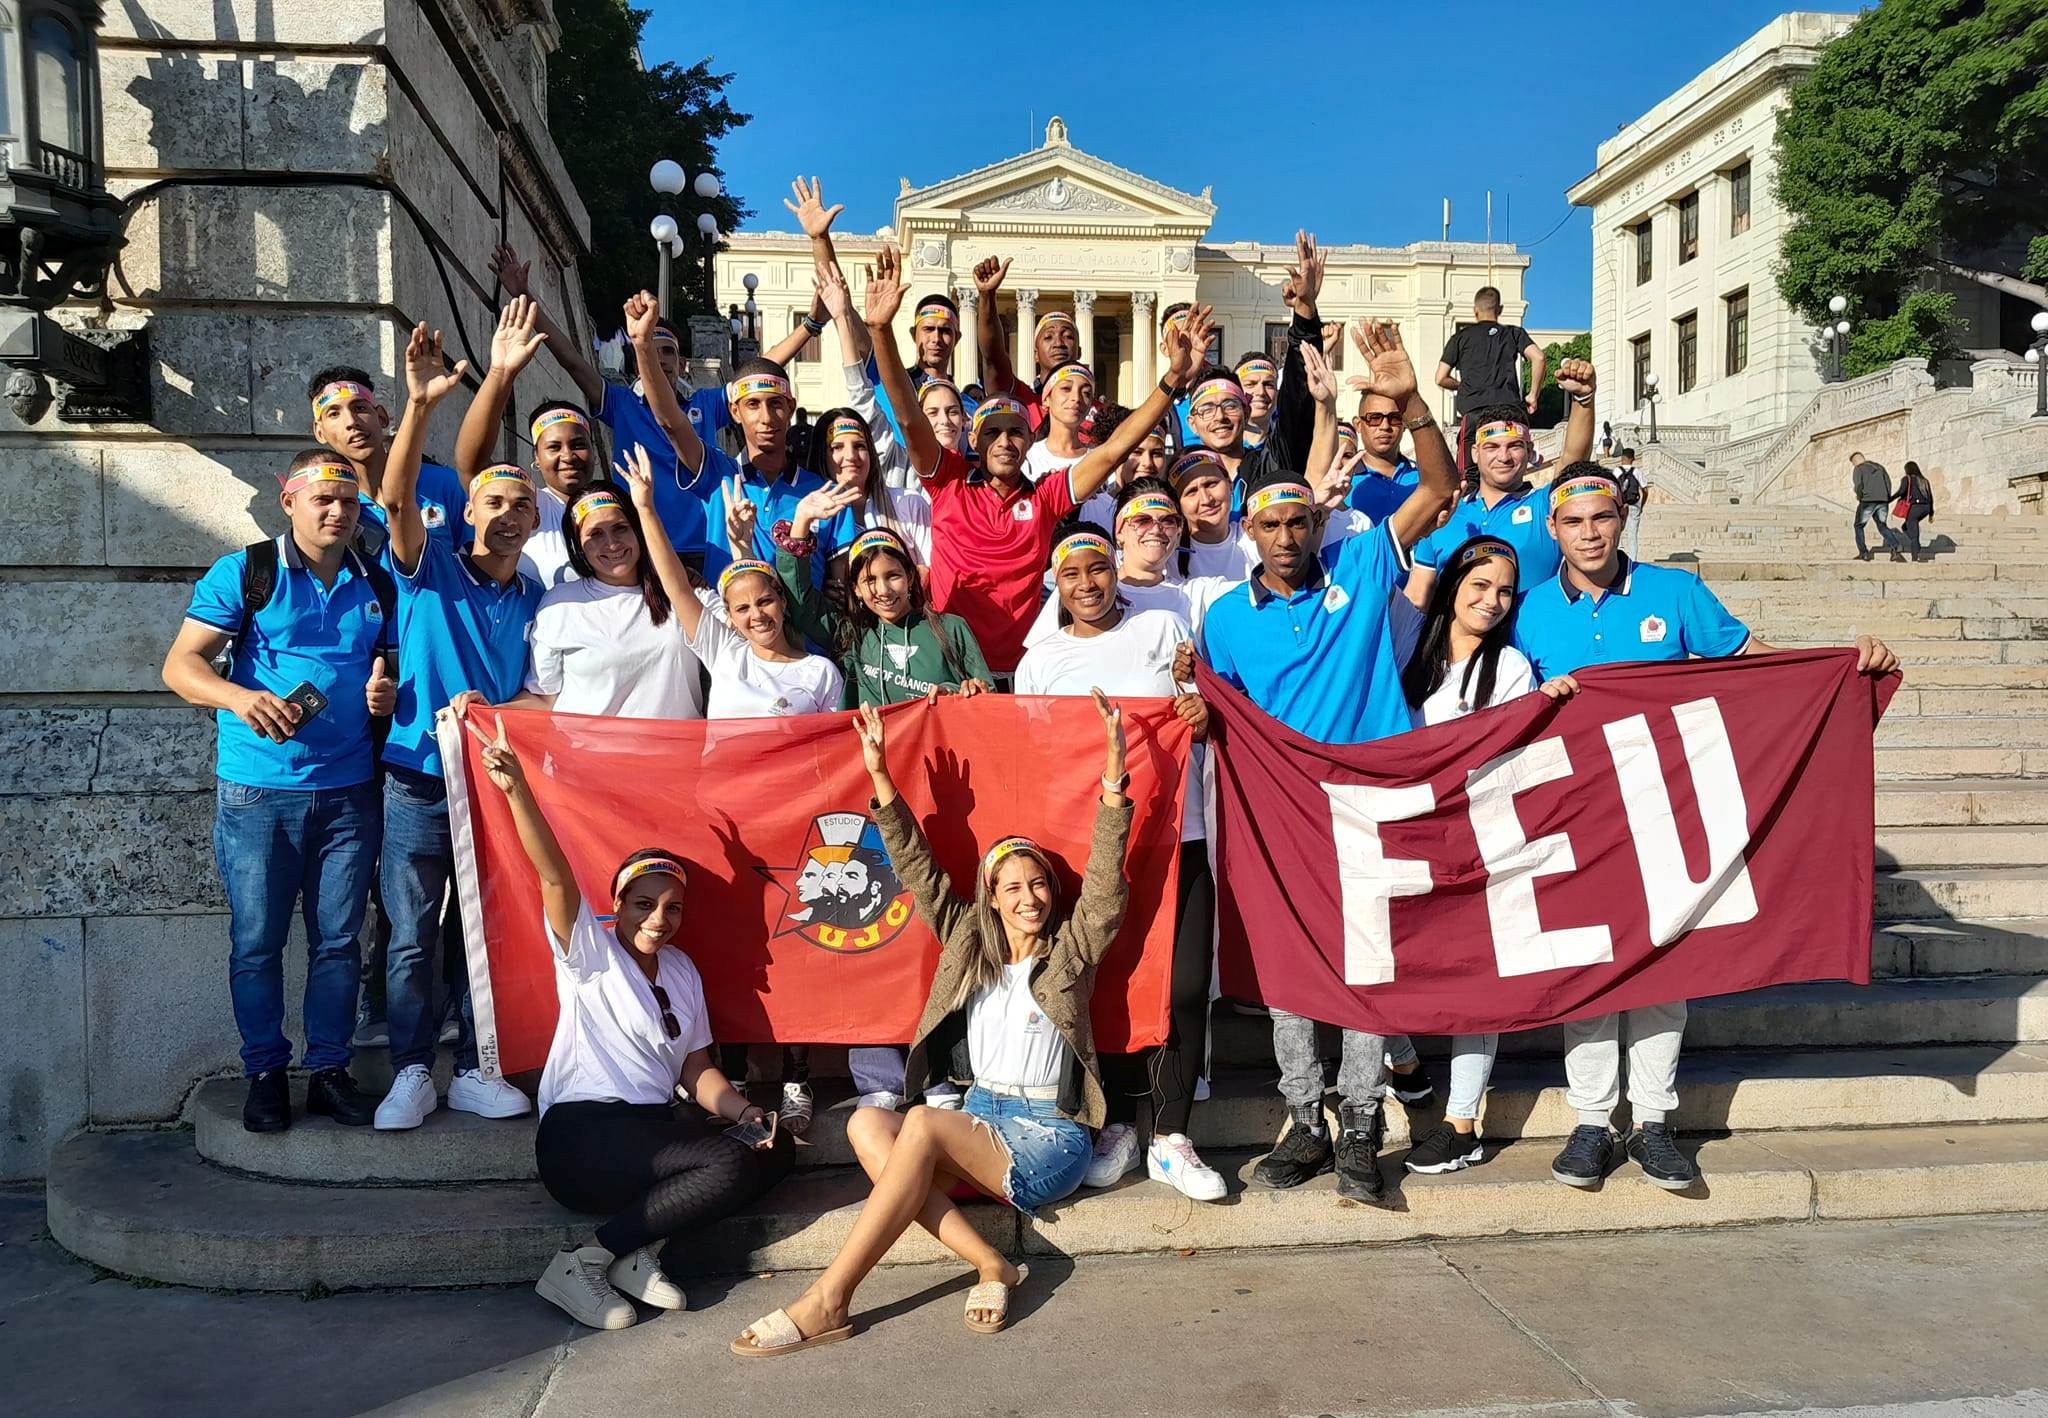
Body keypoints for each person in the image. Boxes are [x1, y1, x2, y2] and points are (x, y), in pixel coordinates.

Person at [1516, 463, 1898, 1192]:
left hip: (1667, 808)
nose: (1590, 532)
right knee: (1594, 968)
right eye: (1573, 522)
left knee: (1664, 969)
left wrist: (1845, 669)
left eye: (1601, 516)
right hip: (1576, 817)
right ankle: (1593, 1122)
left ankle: (1654, 1122)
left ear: (1621, 517)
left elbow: (1752, 666)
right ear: (1555, 531)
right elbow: (1505, 701)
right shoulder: (1531, 610)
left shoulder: (1674, 591)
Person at [731, 692, 1132, 1356]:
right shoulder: (965, 944)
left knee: (918, 1123)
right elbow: (918, 871)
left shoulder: (1072, 952)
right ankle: (993, 1264)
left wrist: (1113, 780)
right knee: (866, 1122)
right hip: (978, 1122)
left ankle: (829, 1299)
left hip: (1046, 1137)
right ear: (991, 899)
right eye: (1012, 887)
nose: (1028, 897)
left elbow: (1106, 888)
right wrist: (882, 778)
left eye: (1038, 885)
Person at [1198, 320, 1459, 1205]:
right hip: (1280, 816)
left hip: (1371, 801)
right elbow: (1216, 716)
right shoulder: (1226, 619)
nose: (1284, 536)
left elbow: (1439, 486)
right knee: (1289, 977)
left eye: (1298, 520)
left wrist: (1411, 398)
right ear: (1249, 530)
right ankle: (1304, 1120)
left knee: (1363, 971)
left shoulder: (1360, 558)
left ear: (1318, 522)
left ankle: (1359, 1123)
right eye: (1269, 523)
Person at [467, 716, 792, 1330]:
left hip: (653, 1132)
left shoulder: (682, 969)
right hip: (583, 1136)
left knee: (772, 1149)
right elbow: (555, 877)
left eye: (672, 908)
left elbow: (697, 1069)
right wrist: (517, 790)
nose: (658, 918)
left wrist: (745, 1113)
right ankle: (584, 1261)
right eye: (644, 903)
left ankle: (640, 1249)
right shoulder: (589, 950)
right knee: (724, 1165)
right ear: (617, 904)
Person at [161, 451, 393, 1132]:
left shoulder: (375, 580)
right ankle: (264, 1072)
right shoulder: (247, 571)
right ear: (287, 501)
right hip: (259, 794)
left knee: (339, 943)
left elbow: (388, 668)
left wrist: (385, 694)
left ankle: (327, 1071)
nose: (336, 512)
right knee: (257, 942)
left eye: (347, 502)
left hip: (349, 792)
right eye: (320, 499)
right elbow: (180, 664)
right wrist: (239, 697)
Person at [866, 252, 1210, 677]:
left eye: (1015, 432)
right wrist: (880, 331)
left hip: (1019, 671)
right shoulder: (948, 480)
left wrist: (1172, 380)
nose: (1004, 441)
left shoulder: (1046, 497)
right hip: (948, 668)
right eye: (992, 432)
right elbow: (906, 415)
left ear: (1031, 440)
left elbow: (1114, 449)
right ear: (973, 438)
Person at [1015, 527, 1223, 1201]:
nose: (1088, 583)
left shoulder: (1164, 626)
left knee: (1185, 986)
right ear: (1056, 581)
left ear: (1115, 572)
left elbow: (1206, 703)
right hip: (1089, 847)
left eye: (1099, 568)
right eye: (1072, 573)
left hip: (1175, 831)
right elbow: (1029, 752)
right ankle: (1117, 1126)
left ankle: (1171, 1136)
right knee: (1106, 988)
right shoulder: (1039, 658)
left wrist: (1200, 713)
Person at [374, 324, 542, 1131]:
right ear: (467, 507)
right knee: (412, 934)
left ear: (536, 522)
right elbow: (397, 496)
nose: (508, 515)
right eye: (495, 501)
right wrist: (416, 407)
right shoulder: (429, 560)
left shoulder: (537, 595)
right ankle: (411, 1068)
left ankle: (481, 1066)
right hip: (416, 777)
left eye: (523, 505)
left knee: (492, 932)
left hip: (494, 781)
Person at [1394, 534, 1554, 1173]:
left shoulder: (1512, 667)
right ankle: (1404, 1061)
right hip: (1406, 832)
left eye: (1505, 591)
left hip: (1480, 835)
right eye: (1480, 586)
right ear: (1453, 585)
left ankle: (1463, 1120)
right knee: (1384, 965)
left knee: (1476, 980)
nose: (1492, 601)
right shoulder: (1405, 655)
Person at [1405, 356, 1599, 608]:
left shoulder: (1544, 507)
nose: (1504, 456)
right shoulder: (1446, 515)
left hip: (1527, 644)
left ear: (1529, 452)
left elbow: (1573, 460)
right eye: (1492, 446)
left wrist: (1583, 400)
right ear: (1475, 453)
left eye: (1515, 446)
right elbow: (1417, 598)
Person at [508, 476, 706, 720]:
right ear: (578, 547)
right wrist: (481, 711)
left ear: (638, 530)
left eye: (620, 528)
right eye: (595, 534)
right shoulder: (559, 604)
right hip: (586, 756)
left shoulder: (682, 593)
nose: (611, 544)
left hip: (678, 755)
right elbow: (544, 697)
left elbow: (743, 646)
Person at [453, 296, 604, 589]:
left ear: (594, 453)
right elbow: (471, 464)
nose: (568, 455)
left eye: (577, 444)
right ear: (536, 457)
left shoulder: (617, 509)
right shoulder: (526, 506)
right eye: (553, 447)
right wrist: (501, 374)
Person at [774, 516, 994, 709]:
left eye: (893, 576)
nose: (883, 591)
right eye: (870, 580)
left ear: (909, 576)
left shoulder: (950, 628)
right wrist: (801, 523)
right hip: (877, 754)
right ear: (856, 589)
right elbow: (800, 602)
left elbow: (987, 698)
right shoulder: (852, 635)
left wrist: (963, 691)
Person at [305, 364, 469, 564]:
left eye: (359, 408)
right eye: (333, 413)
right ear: (319, 432)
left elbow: (483, 568)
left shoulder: (445, 483)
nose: (351, 421)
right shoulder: (329, 505)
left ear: (381, 417)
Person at [1434, 286, 1545, 420]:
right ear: (1500, 310)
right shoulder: (1514, 333)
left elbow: (1440, 378)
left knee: (1472, 440)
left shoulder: (1460, 338)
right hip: (1507, 410)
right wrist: (1533, 395)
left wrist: (1462, 385)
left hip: (1473, 411)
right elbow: (1539, 358)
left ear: (1475, 311)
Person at [1850, 450, 1905, 562]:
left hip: (1867, 501)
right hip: (1883, 500)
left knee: (1858, 525)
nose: (1853, 465)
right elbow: (1888, 483)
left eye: (1853, 463)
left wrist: (1860, 497)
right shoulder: (1880, 467)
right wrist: (1886, 498)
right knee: (1882, 525)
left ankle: (1864, 553)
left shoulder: (1859, 468)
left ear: (1855, 461)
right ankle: (1896, 547)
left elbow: (1859, 485)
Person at [1894, 459, 1936, 562]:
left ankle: (1915, 556)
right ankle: (1916, 544)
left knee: (1913, 533)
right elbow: (1930, 497)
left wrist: (1890, 498)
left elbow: (1901, 492)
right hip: (1925, 508)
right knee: (1905, 526)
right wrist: (1931, 513)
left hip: (1914, 508)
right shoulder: (1924, 480)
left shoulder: (1907, 479)